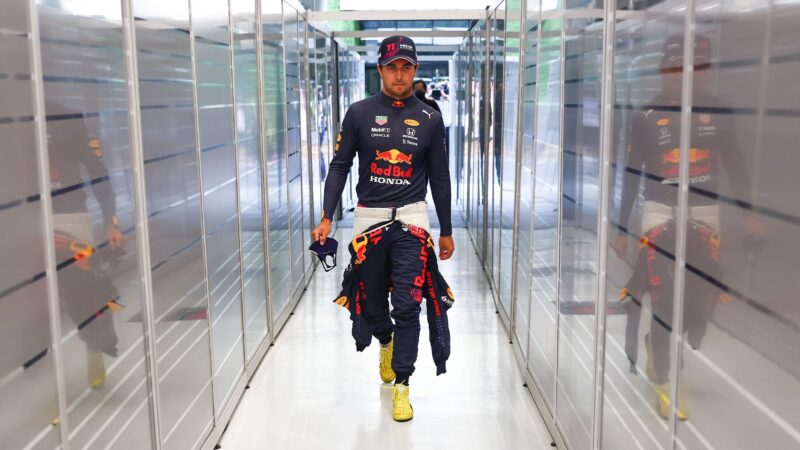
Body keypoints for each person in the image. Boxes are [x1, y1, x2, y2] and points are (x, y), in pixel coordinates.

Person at [614, 34, 764, 419]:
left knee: (699, 301)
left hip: (705, 212)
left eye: (696, 68)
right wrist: (621, 227)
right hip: (659, 212)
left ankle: (659, 344)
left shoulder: (719, 111)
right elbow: (631, 175)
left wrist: (749, 213)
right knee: (664, 295)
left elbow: (735, 164)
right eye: (678, 68)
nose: (687, 76)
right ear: (665, 70)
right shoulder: (646, 116)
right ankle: (664, 380)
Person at [312, 35, 454, 422]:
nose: (399, 74)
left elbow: (440, 178)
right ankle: (385, 339)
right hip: (369, 219)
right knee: (373, 302)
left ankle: (403, 385)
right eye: (392, 66)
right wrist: (327, 216)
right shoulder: (358, 113)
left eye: (406, 66)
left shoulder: (430, 118)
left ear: (415, 70)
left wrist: (446, 229)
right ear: (380, 70)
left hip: (412, 218)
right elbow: (340, 165)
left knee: (408, 302)